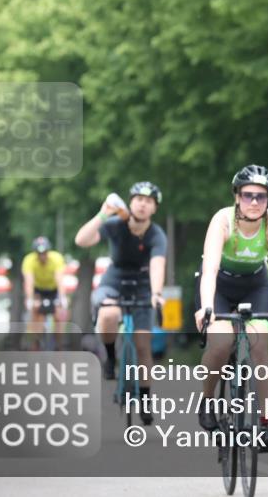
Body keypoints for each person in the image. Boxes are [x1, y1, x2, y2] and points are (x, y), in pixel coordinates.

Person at [193, 165, 268, 453]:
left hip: (255, 284)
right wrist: (208, 307)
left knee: (260, 347)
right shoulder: (222, 220)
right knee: (221, 342)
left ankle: (263, 423)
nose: (254, 202)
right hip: (219, 286)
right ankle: (207, 399)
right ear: (237, 196)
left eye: (261, 197)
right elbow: (210, 267)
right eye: (248, 195)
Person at [75, 181, 167, 425]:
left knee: (143, 345)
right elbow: (82, 240)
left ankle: (145, 399)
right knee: (109, 314)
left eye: (149, 201)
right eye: (138, 199)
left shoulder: (157, 235)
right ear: (131, 202)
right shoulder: (115, 225)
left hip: (143, 286)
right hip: (113, 281)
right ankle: (110, 358)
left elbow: (157, 265)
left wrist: (156, 293)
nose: (143, 204)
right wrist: (103, 213)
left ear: (154, 208)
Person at [21, 236, 67, 330]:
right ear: (35, 253)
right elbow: (29, 282)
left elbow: (60, 280)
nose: (42, 256)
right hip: (38, 289)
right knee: (36, 313)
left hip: (53, 289)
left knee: (59, 315)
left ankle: (59, 343)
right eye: (39, 253)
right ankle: (35, 341)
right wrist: (29, 299)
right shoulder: (29, 260)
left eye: (44, 252)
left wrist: (63, 297)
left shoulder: (57, 258)